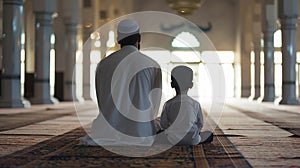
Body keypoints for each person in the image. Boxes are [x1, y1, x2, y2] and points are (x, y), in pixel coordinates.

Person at [81, 19, 162, 146]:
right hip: (141, 132)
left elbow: (101, 100)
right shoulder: (152, 65)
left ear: (118, 40)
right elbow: (155, 105)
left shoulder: (103, 64)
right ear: (139, 38)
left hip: (106, 131)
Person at [159, 65, 213, 145]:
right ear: (191, 85)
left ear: (172, 84)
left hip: (172, 141)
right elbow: (200, 124)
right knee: (209, 134)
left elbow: (163, 124)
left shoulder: (168, 104)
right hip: (192, 140)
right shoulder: (195, 104)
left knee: (159, 133)